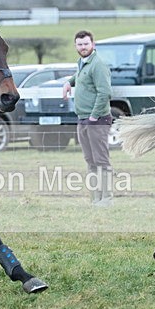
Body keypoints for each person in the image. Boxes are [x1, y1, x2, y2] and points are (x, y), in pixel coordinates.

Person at [62, 30, 114, 207]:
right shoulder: (83, 63)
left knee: (101, 160)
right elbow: (81, 76)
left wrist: (94, 116)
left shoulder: (98, 64)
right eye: (80, 44)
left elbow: (105, 92)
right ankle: (95, 198)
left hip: (96, 120)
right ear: (75, 46)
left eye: (86, 44)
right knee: (90, 161)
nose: (83, 47)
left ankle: (106, 199)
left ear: (93, 44)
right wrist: (69, 82)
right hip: (83, 119)